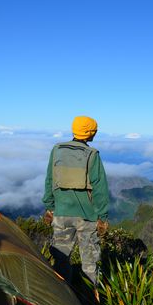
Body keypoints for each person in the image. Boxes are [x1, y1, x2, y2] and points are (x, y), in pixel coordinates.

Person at [42, 116, 109, 287]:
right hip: (87, 217)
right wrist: (102, 217)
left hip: (61, 214)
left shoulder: (56, 150)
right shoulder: (92, 155)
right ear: (90, 133)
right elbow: (100, 188)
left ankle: (64, 297)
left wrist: (50, 207)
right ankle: (91, 300)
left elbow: (50, 179)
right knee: (89, 262)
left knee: (61, 259)